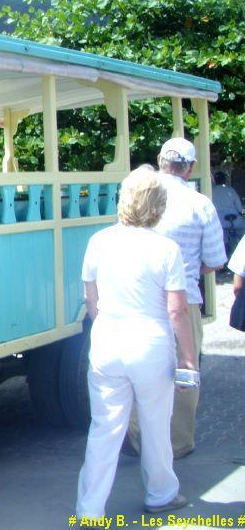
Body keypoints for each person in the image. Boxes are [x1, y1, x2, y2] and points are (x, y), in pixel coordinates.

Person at [75, 167, 196, 522]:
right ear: (158, 205)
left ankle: (89, 511)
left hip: (108, 341)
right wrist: (188, 358)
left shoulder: (98, 241)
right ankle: (161, 494)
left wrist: (107, 327)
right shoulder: (166, 248)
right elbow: (177, 310)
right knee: (157, 426)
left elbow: (90, 299)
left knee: (104, 428)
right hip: (150, 344)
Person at [124, 138, 227, 460]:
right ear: (191, 168)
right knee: (185, 369)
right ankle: (178, 443)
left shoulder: (139, 199)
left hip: (139, 299)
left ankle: (137, 439)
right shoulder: (200, 204)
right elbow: (215, 260)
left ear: (159, 160)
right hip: (185, 299)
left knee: (139, 370)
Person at [211, 171, 244, 254]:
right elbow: (239, 206)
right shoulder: (230, 190)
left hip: (221, 222)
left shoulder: (212, 191)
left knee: (221, 242)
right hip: (236, 221)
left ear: (215, 180)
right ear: (225, 180)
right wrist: (240, 213)